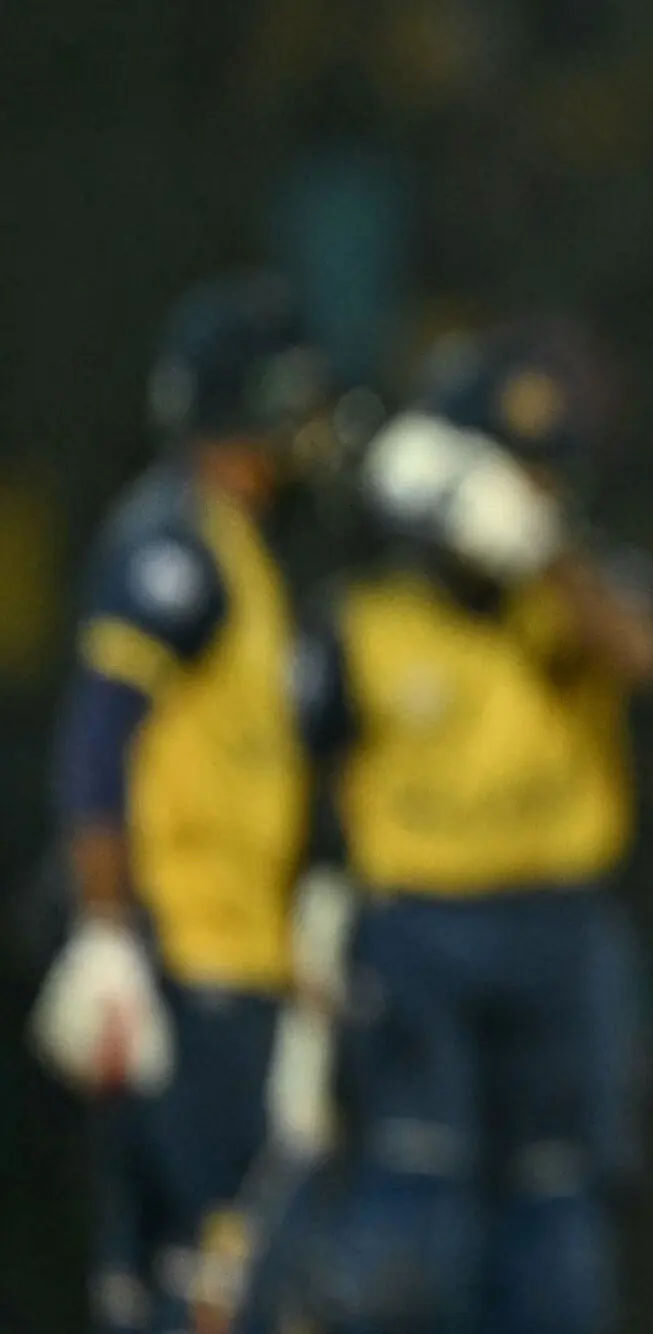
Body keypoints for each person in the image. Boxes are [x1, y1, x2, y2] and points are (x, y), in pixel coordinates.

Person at [294, 323, 653, 1334]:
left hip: (560, 933)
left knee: (554, 1215)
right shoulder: (366, 617)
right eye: (513, 474)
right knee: (416, 1209)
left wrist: (543, 552)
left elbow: (643, 652)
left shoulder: (577, 593)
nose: (535, 493)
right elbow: (298, 775)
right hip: (418, 933)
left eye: (546, 477)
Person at [35, 275, 329, 1333]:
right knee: (219, 1276)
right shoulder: (175, 544)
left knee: (181, 1277)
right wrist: (107, 929)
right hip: (184, 959)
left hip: (229, 957)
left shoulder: (235, 547)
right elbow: (95, 740)